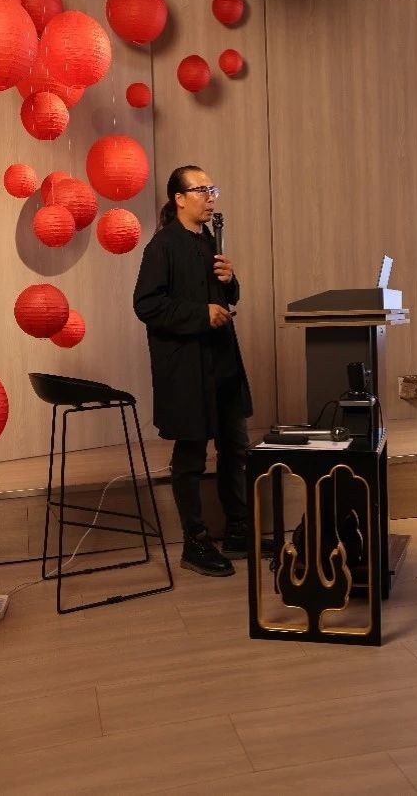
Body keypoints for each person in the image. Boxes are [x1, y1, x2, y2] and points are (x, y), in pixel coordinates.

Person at [133, 165, 254, 578]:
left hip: (222, 361)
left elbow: (225, 296)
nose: (210, 196)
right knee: (191, 455)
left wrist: (230, 281)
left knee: (236, 447)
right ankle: (195, 542)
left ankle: (237, 530)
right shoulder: (162, 246)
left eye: (212, 188)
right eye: (201, 190)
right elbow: (146, 305)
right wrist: (201, 313)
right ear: (179, 199)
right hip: (187, 367)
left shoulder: (208, 240)